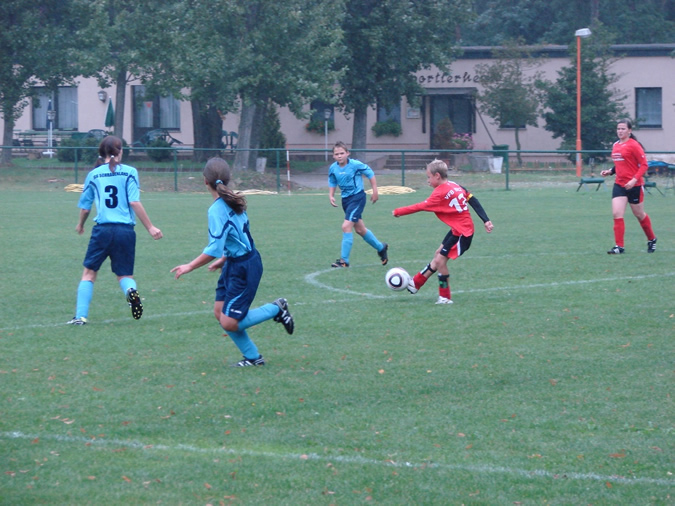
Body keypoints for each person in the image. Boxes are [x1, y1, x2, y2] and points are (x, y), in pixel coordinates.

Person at [170, 157, 294, 367]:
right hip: (234, 263)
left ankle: (277, 308)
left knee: (229, 321)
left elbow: (214, 249)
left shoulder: (218, 208)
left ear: (205, 181)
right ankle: (254, 358)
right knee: (220, 313)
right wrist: (225, 259)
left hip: (245, 267)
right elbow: (237, 238)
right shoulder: (233, 199)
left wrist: (189, 266)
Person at [67, 136, 163, 325]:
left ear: (101, 152)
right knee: (125, 275)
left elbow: (85, 208)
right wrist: (150, 227)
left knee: (89, 273)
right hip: (125, 231)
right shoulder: (130, 172)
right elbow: (134, 202)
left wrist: (81, 224)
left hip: (102, 231)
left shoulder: (94, 174)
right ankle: (130, 292)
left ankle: (80, 317)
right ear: (120, 151)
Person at [392, 159, 493, 304]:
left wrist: (398, 211)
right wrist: (486, 220)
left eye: (429, 177)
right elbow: (472, 199)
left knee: (440, 261)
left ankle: (445, 297)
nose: (427, 180)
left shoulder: (439, 193)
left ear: (437, 176)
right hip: (457, 230)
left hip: (463, 233)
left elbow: (420, 206)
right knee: (438, 254)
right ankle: (416, 283)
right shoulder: (455, 185)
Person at [600, 119, 657, 254]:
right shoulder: (616, 145)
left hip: (635, 185)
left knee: (639, 214)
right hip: (620, 184)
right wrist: (610, 171)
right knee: (617, 213)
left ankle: (652, 239)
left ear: (629, 131)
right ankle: (619, 247)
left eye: (623, 129)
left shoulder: (634, 145)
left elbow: (644, 165)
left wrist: (633, 180)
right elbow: (620, 164)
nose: (620, 131)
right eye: (618, 129)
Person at [328, 141, 388, 268]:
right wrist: (331, 195)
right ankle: (381, 247)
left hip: (357, 198)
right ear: (333, 156)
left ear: (347, 153)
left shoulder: (355, 165)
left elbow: (370, 173)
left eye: (342, 153)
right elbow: (332, 181)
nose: (339, 156)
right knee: (360, 230)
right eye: (336, 154)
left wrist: (375, 191)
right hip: (346, 200)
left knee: (346, 226)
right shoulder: (333, 168)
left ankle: (344, 261)